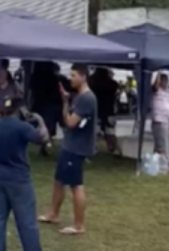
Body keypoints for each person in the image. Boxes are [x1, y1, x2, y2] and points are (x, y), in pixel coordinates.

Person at [0, 96, 49, 251]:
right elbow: (43, 138)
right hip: (20, 179)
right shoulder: (22, 127)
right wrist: (40, 120)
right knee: (27, 222)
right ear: (21, 109)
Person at [39, 64, 96, 235]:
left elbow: (70, 122)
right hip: (69, 144)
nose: (70, 79)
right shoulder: (77, 97)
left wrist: (65, 106)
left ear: (83, 77)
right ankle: (53, 214)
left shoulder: (87, 98)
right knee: (58, 181)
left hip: (77, 148)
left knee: (76, 185)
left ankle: (79, 225)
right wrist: (66, 101)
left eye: (73, 75)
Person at [151, 72, 169, 166]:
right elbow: (155, 86)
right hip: (159, 120)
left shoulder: (168, 91)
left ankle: (157, 162)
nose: (165, 83)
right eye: (163, 80)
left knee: (161, 142)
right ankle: (166, 163)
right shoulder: (156, 90)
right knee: (163, 142)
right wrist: (158, 73)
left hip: (166, 120)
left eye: (166, 81)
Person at [89, 68, 119, 154]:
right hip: (109, 110)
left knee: (95, 132)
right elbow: (115, 85)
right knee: (110, 132)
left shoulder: (93, 83)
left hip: (96, 110)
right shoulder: (112, 84)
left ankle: (93, 149)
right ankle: (114, 149)